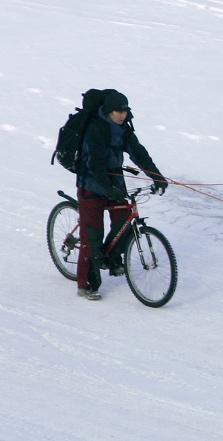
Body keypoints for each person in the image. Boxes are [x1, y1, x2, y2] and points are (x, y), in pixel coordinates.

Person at [76, 91, 168, 300]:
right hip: (91, 184)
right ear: (108, 112)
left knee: (124, 221)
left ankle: (112, 259)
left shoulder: (124, 130)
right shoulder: (95, 129)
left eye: (125, 111)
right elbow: (95, 164)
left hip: (115, 184)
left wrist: (157, 177)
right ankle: (87, 283)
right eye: (118, 111)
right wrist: (107, 188)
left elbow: (139, 153)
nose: (122, 115)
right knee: (92, 235)